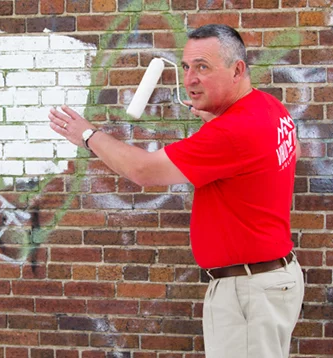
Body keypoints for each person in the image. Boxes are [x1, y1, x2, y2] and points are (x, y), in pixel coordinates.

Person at [48, 24, 304, 358]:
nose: (190, 79)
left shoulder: (232, 132)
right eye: (186, 67)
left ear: (237, 69)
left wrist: (87, 135)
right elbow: (292, 148)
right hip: (269, 280)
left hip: (249, 290)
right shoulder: (268, 107)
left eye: (203, 67)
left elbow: (144, 171)